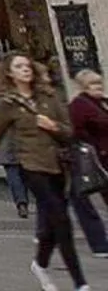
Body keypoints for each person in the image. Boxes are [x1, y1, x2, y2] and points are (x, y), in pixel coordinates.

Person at [0, 52, 89, 289]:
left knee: (52, 223)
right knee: (61, 219)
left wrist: (54, 127)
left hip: (58, 164)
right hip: (31, 165)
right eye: (19, 66)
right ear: (9, 73)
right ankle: (80, 283)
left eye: (27, 65)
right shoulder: (7, 103)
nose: (25, 69)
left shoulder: (49, 96)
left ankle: (39, 264)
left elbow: (70, 131)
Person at [0, 57, 32, 218]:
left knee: (13, 172)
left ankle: (21, 202)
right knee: (25, 170)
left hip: (4, 140)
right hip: (22, 138)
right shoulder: (13, 92)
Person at [68, 69, 108, 258]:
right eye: (93, 84)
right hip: (98, 158)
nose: (98, 87)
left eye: (99, 83)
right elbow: (77, 131)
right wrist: (94, 147)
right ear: (84, 87)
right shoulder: (79, 105)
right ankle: (99, 244)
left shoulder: (102, 103)